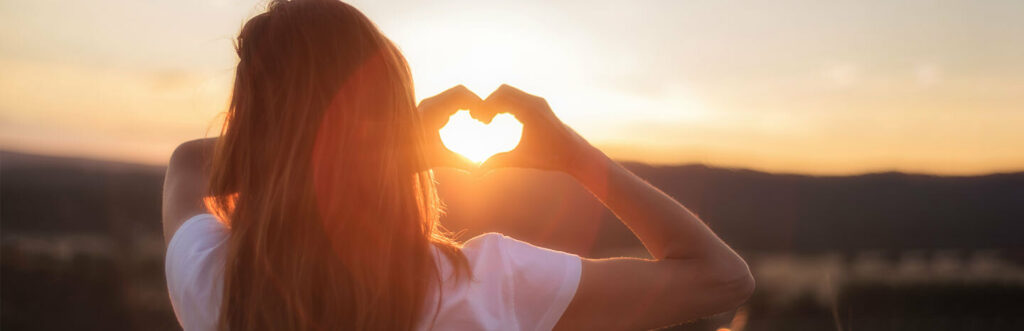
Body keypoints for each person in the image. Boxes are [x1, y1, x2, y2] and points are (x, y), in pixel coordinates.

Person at [161, 0, 753, 330]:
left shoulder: (211, 279)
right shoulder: (489, 287)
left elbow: (189, 162)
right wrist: (573, 155)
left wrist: (349, 150)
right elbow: (722, 277)